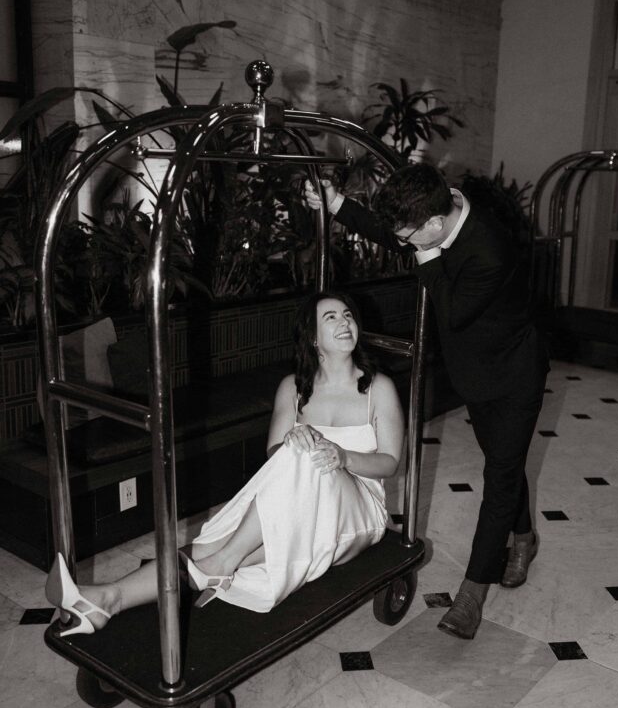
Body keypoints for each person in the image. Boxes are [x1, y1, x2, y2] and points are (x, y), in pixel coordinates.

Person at [45, 291, 405, 634]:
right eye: (331, 317)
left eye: (348, 316)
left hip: (358, 512)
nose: (345, 323)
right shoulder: (293, 388)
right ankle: (108, 599)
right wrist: (297, 442)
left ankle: (222, 562)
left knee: (294, 467)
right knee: (209, 546)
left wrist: (341, 457)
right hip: (303, 499)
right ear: (312, 337)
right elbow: (275, 457)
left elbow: (389, 463)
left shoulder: (378, 388)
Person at [304, 163, 548, 640]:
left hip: (515, 372)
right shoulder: (431, 211)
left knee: (499, 473)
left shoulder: (490, 247)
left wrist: (428, 256)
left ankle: (472, 593)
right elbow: (391, 231)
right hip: (473, 372)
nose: (405, 243)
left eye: (414, 236)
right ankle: (524, 536)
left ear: (436, 225)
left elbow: (452, 312)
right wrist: (335, 204)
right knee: (505, 457)